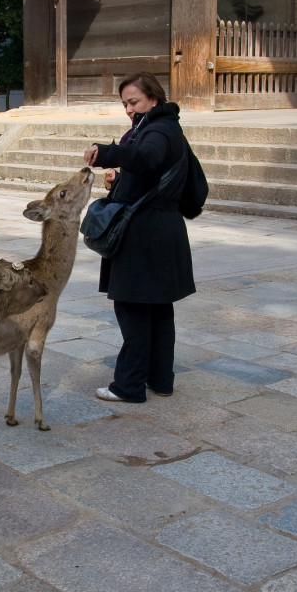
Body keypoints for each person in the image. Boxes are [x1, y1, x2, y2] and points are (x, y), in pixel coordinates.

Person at [82, 72, 195, 403]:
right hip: (162, 228)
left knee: (132, 308)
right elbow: (150, 169)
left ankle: (128, 385)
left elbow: (147, 159)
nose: (129, 109)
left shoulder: (158, 129)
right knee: (158, 310)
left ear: (154, 100)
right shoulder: (161, 128)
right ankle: (160, 379)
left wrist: (108, 153)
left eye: (134, 102)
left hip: (145, 234)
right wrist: (119, 177)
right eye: (125, 104)